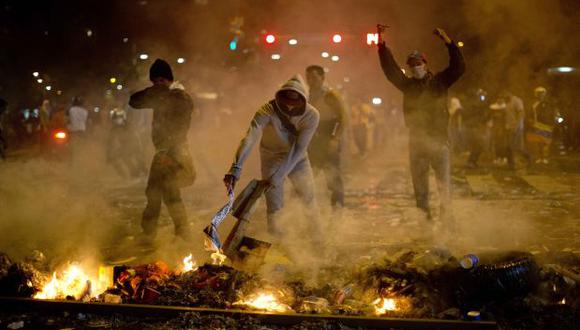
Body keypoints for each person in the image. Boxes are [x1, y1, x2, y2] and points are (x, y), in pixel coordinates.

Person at [377, 25, 465, 226]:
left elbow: (459, 67)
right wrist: (381, 45)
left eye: (418, 63)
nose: (414, 67)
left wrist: (448, 41)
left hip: (439, 141)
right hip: (416, 143)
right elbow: (390, 70)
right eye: (411, 64)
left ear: (425, 64)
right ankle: (425, 223)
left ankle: (447, 221)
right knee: (420, 188)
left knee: (444, 186)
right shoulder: (407, 86)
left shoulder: (440, 82)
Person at [223, 75, 320, 238]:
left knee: (308, 197)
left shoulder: (312, 115)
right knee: (274, 205)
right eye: (286, 100)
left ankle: (317, 240)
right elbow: (250, 137)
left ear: (303, 100)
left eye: (295, 101)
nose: (289, 106)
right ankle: (278, 241)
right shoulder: (267, 109)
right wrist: (236, 167)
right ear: (280, 97)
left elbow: (299, 148)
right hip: (271, 157)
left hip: (298, 159)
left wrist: (279, 175)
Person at [129, 59, 195, 241]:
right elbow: (134, 102)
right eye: (154, 81)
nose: (157, 84)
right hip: (164, 152)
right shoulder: (161, 96)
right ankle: (166, 233)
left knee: (164, 193)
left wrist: (167, 153)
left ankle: (173, 234)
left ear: (168, 79)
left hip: (173, 152)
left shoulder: (179, 97)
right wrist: (156, 91)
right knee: (159, 193)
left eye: (161, 80)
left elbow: (179, 128)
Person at [305, 65, 348, 208]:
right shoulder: (306, 95)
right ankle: (302, 210)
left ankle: (338, 209)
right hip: (312, 140)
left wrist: (335, 139)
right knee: (307, 176)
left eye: (314, 77)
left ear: (322, 78)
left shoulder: (330, 95)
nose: (311, 81)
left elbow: (343, 118)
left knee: (333, 176)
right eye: (309, 77)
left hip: (328, 137)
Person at [527, 86, 559, 164]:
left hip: (547, 126)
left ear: (545, 94)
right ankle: (539, 157)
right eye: (539, 93)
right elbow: (530, 114)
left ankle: (544, 158)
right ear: (536, 94)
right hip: (537, 125)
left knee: (546, 143)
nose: (540, 95)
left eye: (542, 93)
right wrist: (530, 121)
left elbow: (554, 112)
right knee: (538, 142)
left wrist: (555, 120)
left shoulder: (549, 103)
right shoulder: (533, 104)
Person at [463, 89, 490, 168]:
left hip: (476, 127)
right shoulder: (473, 104)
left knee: (479, 146)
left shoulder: (480, 104)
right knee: (477, 145)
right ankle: (471, 162)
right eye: (480, 95)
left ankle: (472, 161)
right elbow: (473, 112)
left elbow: (483, 114)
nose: (482, 97)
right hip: (472, 127)